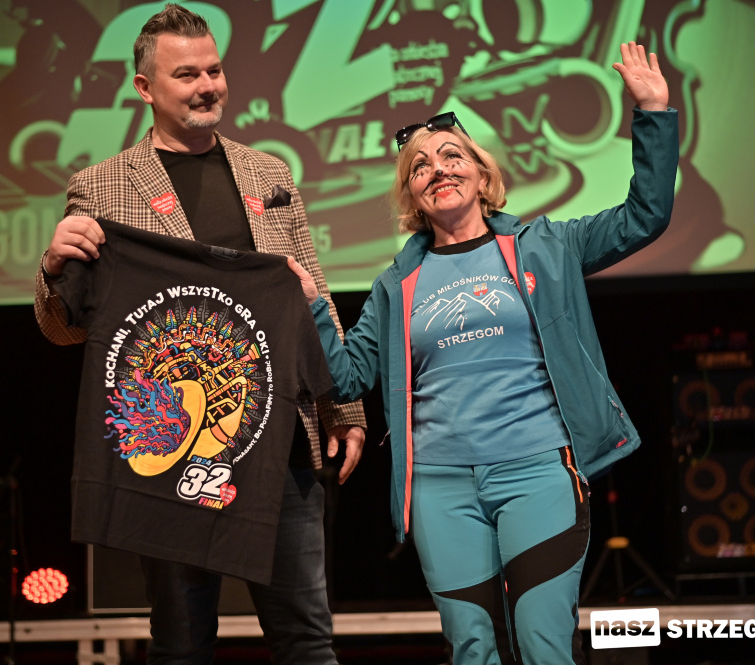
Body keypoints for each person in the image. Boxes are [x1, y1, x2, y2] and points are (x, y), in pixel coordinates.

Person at [289, 42, 678, 665]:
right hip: (440, 488)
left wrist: (653, 112)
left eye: (453, 155)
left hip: (537, 473)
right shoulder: (395, 285)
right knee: (473, 650)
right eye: (420, 166)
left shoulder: (546, 246)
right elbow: (347, 376)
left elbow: (645, 215)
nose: (438, 169)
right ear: (411, 194)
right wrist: (312, 303)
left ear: (481, 174)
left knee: (544, 646)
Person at [33, 5, 366, 664]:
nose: (207, 86)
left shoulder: (270, 175)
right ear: (144, 87)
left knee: (307, 641)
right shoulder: (100, 188)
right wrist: (51, 269)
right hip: (171, 451)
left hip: (278, 444)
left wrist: (343, 404)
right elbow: (65, 330)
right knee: (182, 644)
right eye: (186, 74)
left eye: (214, 70)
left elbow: (312, 294)